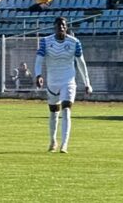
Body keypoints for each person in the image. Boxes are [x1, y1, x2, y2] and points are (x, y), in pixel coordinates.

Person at [35, 16, 92, 153]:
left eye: (63, 25)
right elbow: (39, 60)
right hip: (53, 81)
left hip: (68, 80)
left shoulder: (74, 42)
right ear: (54, 27)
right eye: (58, 25)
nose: (61, 27)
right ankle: (53, 141)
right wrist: (38, 75)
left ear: (66, 27)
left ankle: (64, 144)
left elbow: (81, 63)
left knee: (66, 109)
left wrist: (87, 83)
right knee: (54, 112)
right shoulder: (45, 41)